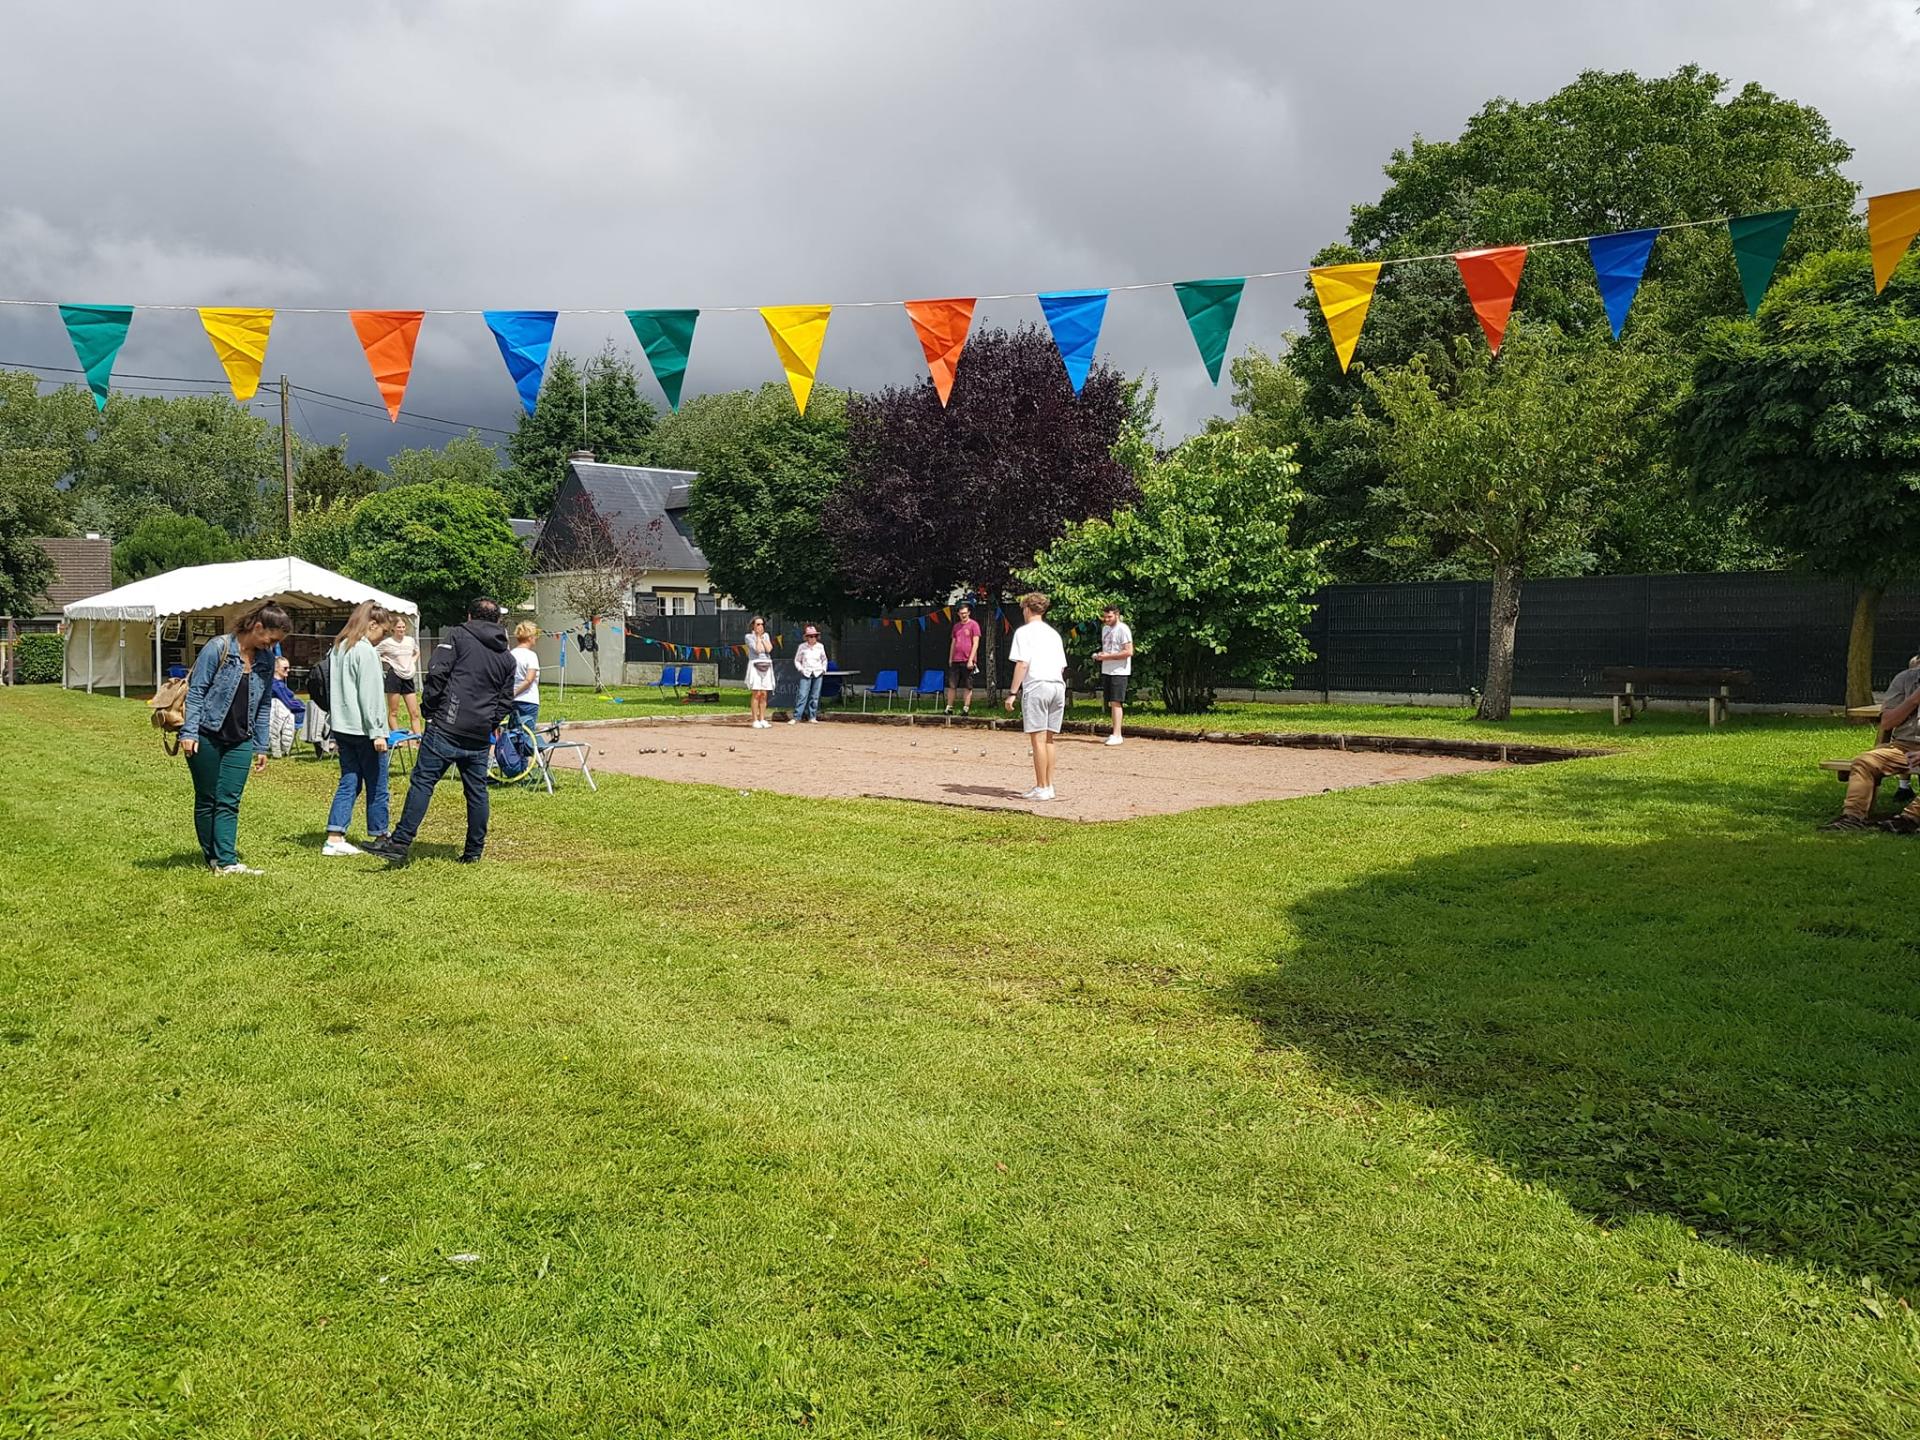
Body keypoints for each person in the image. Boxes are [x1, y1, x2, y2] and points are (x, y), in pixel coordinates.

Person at [366, 598, 517, 865]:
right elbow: (506, 700)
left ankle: (400, 842)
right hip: (479, 733)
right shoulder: (506, 657)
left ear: (469, 616)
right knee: (477, 791)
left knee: (423, 782)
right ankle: (473, 852)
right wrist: (489, 721)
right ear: (497, 621)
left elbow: (436, 673)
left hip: (446, 726)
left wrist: (431, 710)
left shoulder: (458, 636)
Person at [179, 602, 292, 875]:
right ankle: (213, 858)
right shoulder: (219, 648)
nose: (272, 646)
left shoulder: (265, 661)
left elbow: (264, 704)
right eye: (271, 639)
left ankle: (227, 861)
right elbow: (196, 692)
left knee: (229, 799)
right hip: (206, 734)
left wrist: (261, 745)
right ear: (257, 627)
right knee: (207, 798)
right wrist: (189, 732)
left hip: (241, 739)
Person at [323, 601, 394, 857]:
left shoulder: (338, 647)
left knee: (349, 780)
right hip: (365, 730)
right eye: (383, 632)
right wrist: (377, 731)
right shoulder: (365, 651)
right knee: (377, 784)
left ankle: (335, 835)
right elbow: (371, 695)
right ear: (372, 624)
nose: (382, 637)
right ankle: (380, 834)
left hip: (343, 726)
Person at [1825, 656, 1920, 832]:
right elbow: (1887, 723)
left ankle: (1910, 819)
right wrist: (1914, 699)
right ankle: (1852, 817)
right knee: (1865, 761)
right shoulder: (1905, 679)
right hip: (1902, 747)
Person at [1004, 592, 1068, 802]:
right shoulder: (1054, 634)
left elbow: (1022, 663)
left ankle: (1041, 787)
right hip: (1057, 686)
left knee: (1038, 740)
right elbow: (1061, 665)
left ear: (1027, 609)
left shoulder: (1024, 633)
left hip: (1037, 685)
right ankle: (1048, 785)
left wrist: (1013, 693)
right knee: (1049, 739)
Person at [1093, 603, 1134, 746]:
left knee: (1117, 701)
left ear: (1117, 615)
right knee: (1111, 701)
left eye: (1109, 617)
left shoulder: (1123, 629)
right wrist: (1101, 656)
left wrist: (1107, 657)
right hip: (1107, 669)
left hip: (1120, 670)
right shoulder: (1105, 629)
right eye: (1104, 617)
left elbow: (1128, 652)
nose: (1107, 620)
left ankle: (1118, 734)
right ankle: (1114, 732)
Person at [378, 615, 422, 733]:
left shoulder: (410, 641)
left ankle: (418, 736)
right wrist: (386, 660)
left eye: (403, 627)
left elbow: (417, 652)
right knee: (393, 711)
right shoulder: (387, 642)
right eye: (399, 627)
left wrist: (412, 661)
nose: (401, 630)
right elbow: (373, 652)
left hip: (408, 676)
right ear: (393, 628)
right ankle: (397, 738)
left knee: (415, 712)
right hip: (394, 676)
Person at [268, 654, 306, 759]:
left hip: (287, 715)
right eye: (285, 668)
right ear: (275, 669)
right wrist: (303, 707)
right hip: (285, 715)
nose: (288, 670)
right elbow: (288, 703)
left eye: (289, 667)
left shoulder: (279, 684)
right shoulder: (276, 685)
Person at [946, 603, 982, 715]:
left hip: (967, 660)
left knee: (968, 685)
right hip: (956, 659)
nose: (963, 615)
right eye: (961, 614)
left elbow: (976, 643)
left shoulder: (974, 625)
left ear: (969, 613)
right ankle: (949, 708)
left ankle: (965, 708)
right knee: (952, 685)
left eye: (965, 613)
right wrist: (950, 658)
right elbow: (953, 642)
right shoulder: (956, 626)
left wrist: (971, 659)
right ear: (958, 614)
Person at [791, 625, 827, 723]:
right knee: (802, 695)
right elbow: (797, 660)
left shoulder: (820, 646)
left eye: (814, 636)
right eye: (810, 636)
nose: (812, 638)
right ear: (806, 637)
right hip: (806, 673)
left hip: (817, 673)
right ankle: (797, 717)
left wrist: (823, 669)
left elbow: (824, 659)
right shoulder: (802, 647)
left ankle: (812, 717)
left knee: (815, 696)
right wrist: (801, 669)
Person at [744, 616, 776, 728]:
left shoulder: (766, 635)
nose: (760, 626)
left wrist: (763, 639)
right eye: (758, 624)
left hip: (766, 664)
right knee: (756, 693)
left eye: (762, 624)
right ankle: (755, 720)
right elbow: (757, 650)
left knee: (764, 693)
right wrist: (757, 637)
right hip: (755, 664)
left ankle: (763, 719)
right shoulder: (749, 637)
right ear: (753, 625)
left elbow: (769, 649)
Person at [509, 621, 542, 728]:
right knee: (527, 733)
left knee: (514, 731)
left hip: (513, 701)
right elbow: (529, 680)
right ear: (530, 637)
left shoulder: (511, 654)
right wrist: (515, 692)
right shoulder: (531, 656)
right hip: (528, 699)